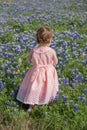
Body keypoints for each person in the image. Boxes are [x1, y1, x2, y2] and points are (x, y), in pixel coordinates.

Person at [16, 27, 59, 112]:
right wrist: (49, 65)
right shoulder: (52, 51)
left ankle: (30, 107)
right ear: (50, 40)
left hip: (36, 72)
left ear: (37, 39)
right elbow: (55, 62)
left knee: (34, 88)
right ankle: (48, 101)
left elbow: (29, 60)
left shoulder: (34, 50)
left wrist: (36, 64)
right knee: (48, 87)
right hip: (49, 73)